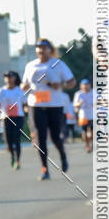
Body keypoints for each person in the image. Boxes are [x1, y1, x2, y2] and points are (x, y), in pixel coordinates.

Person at [21, 39, 75, 179]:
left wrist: (60, 84)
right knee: (40, 139)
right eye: (38, 48)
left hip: (54, 105)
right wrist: (24, 87)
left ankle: (62, 155)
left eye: (44, 48)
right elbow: (24, 84)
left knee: (56, 137)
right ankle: (45, 168)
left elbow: (72, 82)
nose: (41, 50)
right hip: (36, 105)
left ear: (49, 49)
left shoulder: (58, 64)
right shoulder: (30, 65)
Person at [0, 71, 25, 168]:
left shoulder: (20, 90)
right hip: (6, 118)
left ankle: (18, 160)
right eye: (6, 77)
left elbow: (25, 105)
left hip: (18, 118)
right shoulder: (1, 91)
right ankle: (12, 155)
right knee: (8, 140)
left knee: (17, 139)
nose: (8, 79)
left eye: (10, 76)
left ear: (14, 78)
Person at [73, 78, 94, 153]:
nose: (86, 87)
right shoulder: (78, 94)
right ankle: (87, 145)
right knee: (84, 131)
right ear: (81, 86)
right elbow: (75, 104)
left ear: (90, 85)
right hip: (83, 115)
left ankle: (92, 144)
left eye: (87, 85)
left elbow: (100, 101)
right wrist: (79, 104)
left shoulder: (94, 92)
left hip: (92, 115)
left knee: (92, 132)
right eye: (84, 85)